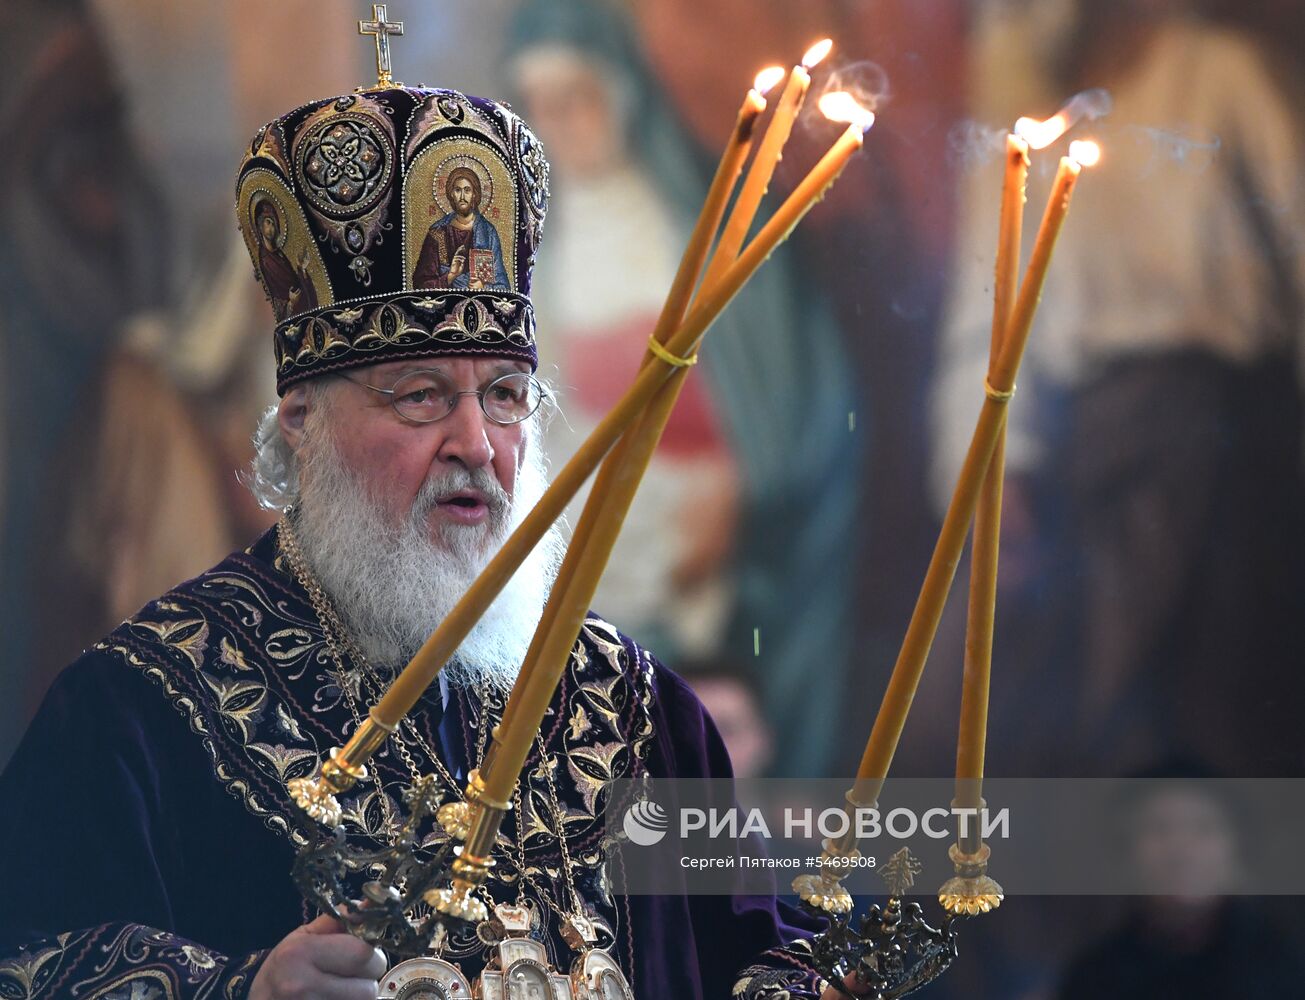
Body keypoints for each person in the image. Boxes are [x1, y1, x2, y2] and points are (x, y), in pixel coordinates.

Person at [0, 44, 848, 1000]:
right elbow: (26, 959)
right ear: (302, 421)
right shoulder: (140, 713)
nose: (477, 444)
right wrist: (240, 989)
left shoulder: (637, 715)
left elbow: (752, 954)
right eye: (417, 397)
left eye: (506, 396)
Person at [413, 166, 511, 291]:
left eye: (467, 190)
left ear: (475, 194)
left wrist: (484, 287)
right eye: (458, 190)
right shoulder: (438, 232)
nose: (462, 196)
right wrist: (450, 276)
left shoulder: (488, 232)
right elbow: (421, 284)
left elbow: (503, 284)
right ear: (451, 194)